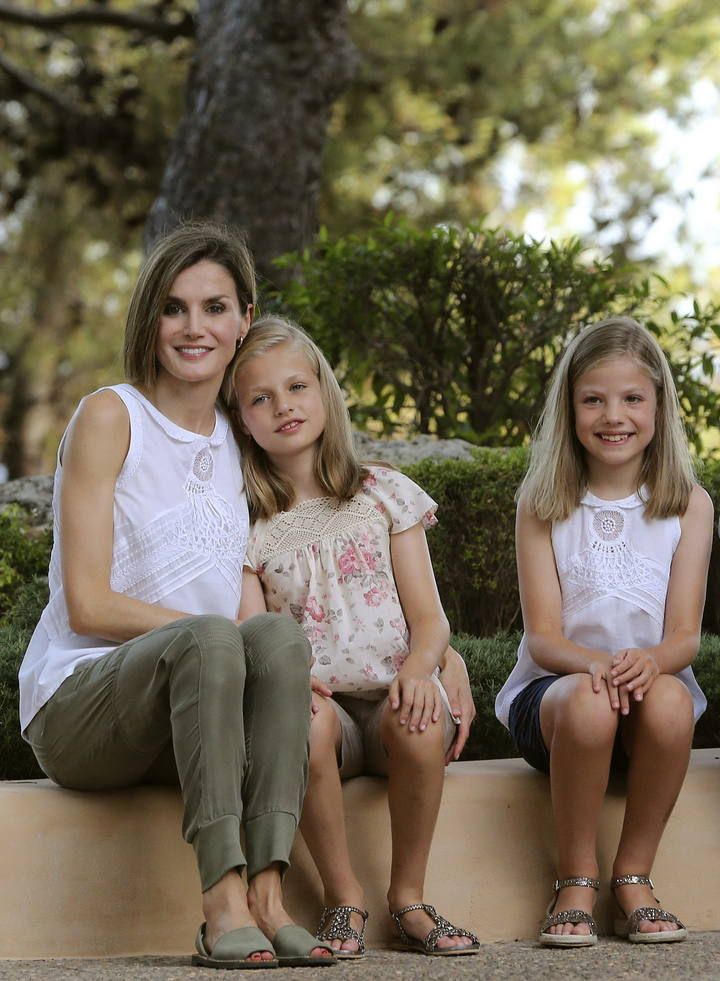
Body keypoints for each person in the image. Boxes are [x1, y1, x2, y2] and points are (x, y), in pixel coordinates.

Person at [18, 223, 336, 970]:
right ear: (149, 320)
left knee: (281, 641)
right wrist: (216, 636)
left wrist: (434, 652)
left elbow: (303, 545)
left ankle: (266, 895)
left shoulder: (239, 436)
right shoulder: (110, 416)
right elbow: (89, 605)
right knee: (215, 636)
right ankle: (219, 902)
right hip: (82, 705)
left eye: (215, 307)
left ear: (244, 319)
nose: (195, 327)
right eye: (174, 307)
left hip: (196, 711)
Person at [232, 315, 480, 958]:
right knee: (303, 716)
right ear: (241, 420)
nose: (283, 406)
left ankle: (410, 899)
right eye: (260, 398)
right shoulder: (249, 528)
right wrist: (285, 680)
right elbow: (251, 630)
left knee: (422, 718)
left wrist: (423, 668)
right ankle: (345, 900)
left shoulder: (382, 493)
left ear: (324, 392)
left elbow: (429, 619)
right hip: (328, 713)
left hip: (395, 695)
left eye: (296, 387)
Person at [494, 316, 713, 947]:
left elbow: (684, 639)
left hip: (648, 695)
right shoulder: (543, 502)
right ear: (569, 408)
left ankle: (634, 876)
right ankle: (576, 880)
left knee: (672, 700)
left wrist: (648, 664)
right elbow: (544, 640)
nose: (612, 415)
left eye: (631, 399)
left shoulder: (687, 505)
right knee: (591, 703)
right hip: (558, 703)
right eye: (593, 399)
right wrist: (599, 668)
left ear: (658, 406)